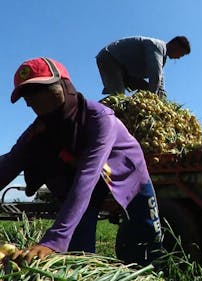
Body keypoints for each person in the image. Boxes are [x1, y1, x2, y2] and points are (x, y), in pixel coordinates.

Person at [0, 57, 163, 266]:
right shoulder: (38, 131)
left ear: (66, 86)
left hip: (126, 175)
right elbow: (9, 165)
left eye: (44, 89)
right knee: (78, 255)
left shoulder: (99, 119)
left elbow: (87, 177)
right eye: (28, 95)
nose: (36, 101)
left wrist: (54, 239)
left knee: (144, 244)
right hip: (83, 181)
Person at [96, 35, 191, 97]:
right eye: (181, 54)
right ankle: (98, 112)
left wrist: (163, 99)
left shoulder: (163, 58)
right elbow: (155, 75)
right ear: (175, 45)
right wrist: (152, 99)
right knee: (119, 96)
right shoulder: (157, 46)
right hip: (111, 59)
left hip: (126, 71)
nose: (178, 58)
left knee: (147, 89)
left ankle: (132, 109)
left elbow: (160, 82)